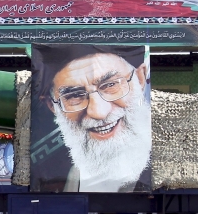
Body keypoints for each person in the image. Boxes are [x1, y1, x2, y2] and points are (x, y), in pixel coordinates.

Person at [36, 45, 151, 193]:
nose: (99, 112)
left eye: (110, 85)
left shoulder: (158, 167)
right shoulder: (68, 175)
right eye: (75, 95)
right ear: (52, 105)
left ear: (140, 79)